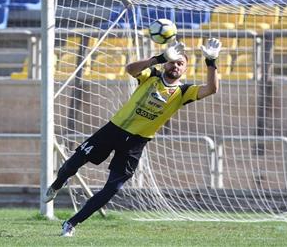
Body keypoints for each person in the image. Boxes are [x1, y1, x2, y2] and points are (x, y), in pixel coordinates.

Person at [43, 38, 222, 237]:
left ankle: (71, 223)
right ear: (167, 63)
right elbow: (130, 69)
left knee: (112, 188)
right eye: (173, 61)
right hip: (113, 130)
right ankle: (57, 184)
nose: (175, 66)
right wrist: (160, 58)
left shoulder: (184, 92)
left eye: (180, 63)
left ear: (185, 69)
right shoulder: (151, 75)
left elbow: (211, 89)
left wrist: (211, 61)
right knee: (72, 164)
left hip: (137, 142)